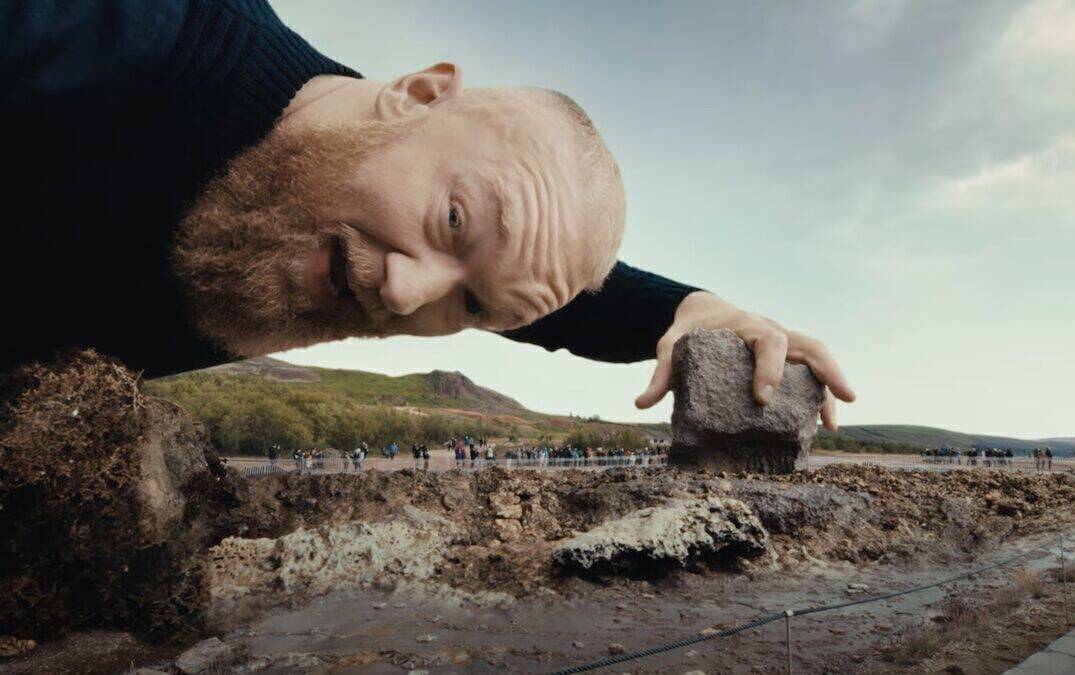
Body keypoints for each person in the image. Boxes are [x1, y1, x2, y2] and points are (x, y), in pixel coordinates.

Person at [2, 0, 854, 435]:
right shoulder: (118, 31)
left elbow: (550, 291)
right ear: (415, 94)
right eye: (450, 220)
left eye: (472, 308)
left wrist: (691, 311)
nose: (407, 295)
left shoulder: (370, 240)